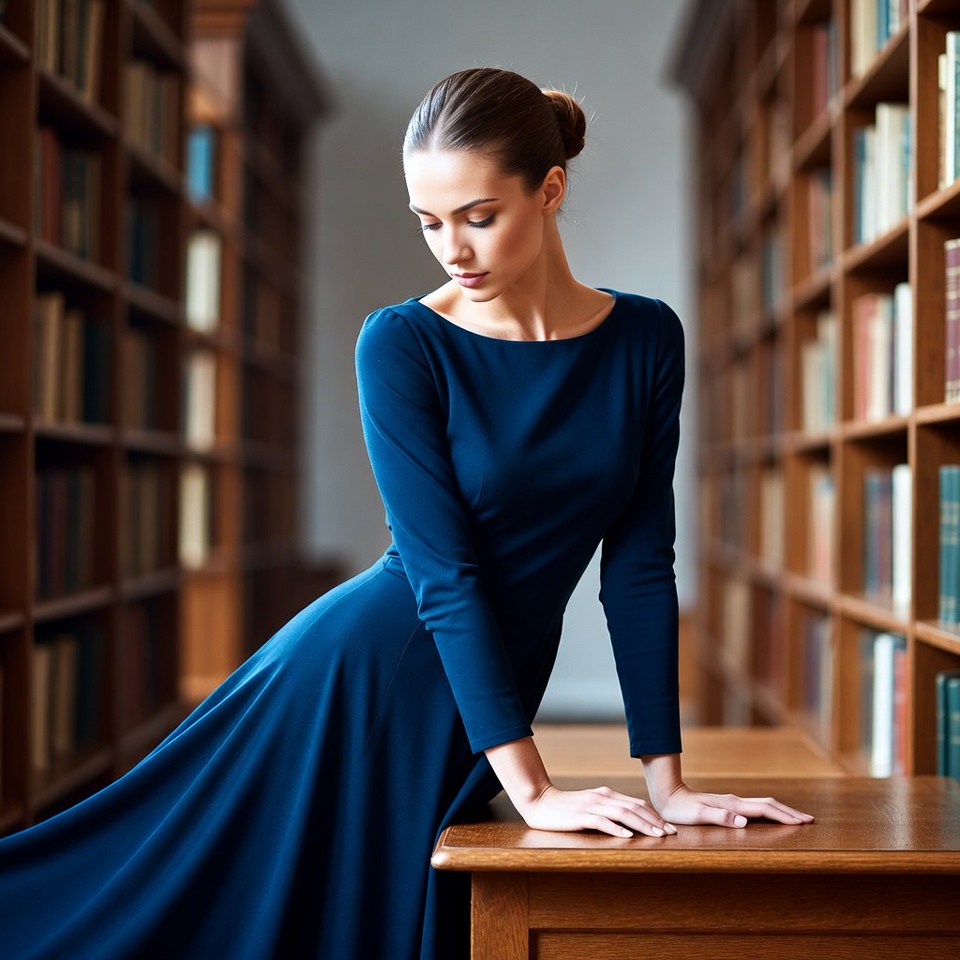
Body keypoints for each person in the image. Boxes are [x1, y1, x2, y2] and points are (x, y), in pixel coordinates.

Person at [0, 66, 812, 960]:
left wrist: (668, 781)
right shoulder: (402, 342)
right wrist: (533, 787)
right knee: (171, 914)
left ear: (549, 191)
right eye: (429, 223)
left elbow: (639, 567)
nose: (452, 250)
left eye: (477, 216)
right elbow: (445, 573)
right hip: (367, 680)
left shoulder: (647, 337)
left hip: (478, 702)